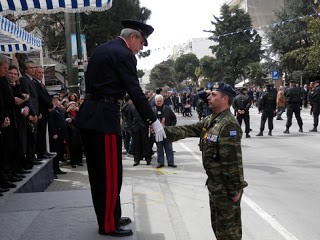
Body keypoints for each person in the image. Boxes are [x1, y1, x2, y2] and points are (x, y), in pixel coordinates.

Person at [77, 19, 166, 237]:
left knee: (103, 174)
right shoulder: (124, 54)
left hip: (93, 114)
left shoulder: (104, 49)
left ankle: (112, 216)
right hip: (103, 117)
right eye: (141, 43)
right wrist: (152, 120)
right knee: (109, 175)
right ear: (133, 37)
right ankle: (108, 224)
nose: (140, 49)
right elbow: (135, 91)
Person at [164, 82, 248, 240]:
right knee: (218, 228)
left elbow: (232, 162)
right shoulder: (212, 120)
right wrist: (164, 131)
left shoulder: (228, 124)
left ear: (225, 99)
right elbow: (189, 129)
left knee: (229, 233)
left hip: (225, 189)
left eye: (213, 95)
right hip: (215, 185)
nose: (208, 97)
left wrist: (234, 190)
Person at [152, 94, 177, 168]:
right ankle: (160, 162)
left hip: (167, 132)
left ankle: (171, 162)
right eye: (157, 101)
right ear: (155, 101)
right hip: (157, 133)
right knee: (159, 149)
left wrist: (170, 127)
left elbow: (174, 119)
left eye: (160, 101)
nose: (159, 102)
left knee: (169, 148)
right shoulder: (152, 110)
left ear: (163, 101)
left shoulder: (168, 109)